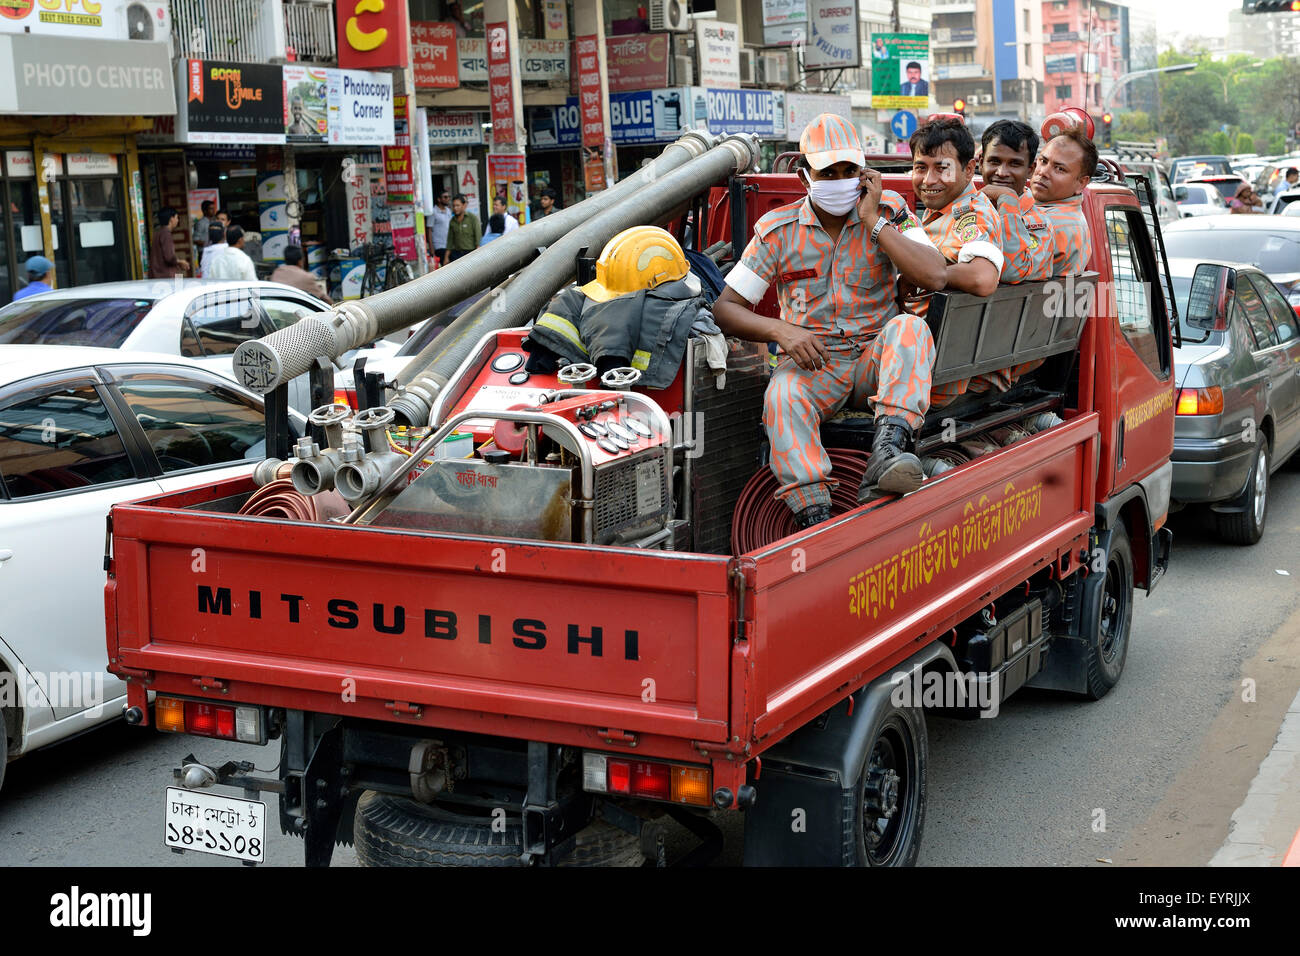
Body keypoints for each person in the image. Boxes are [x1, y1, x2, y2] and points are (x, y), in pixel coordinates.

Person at [712, 113, 949, 529]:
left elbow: (933, 274)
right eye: (829, 172)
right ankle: (815, 515)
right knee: (782, 394)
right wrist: (781, 331)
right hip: (815, 365)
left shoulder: (890, 209)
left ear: (865, 173)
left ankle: (889, 452)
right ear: (806, 178)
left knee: (909, 329)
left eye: (849, 170)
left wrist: (874, 221)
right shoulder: (777, 229)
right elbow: (726, 309)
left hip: (875, 361)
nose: (840, 179)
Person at [978, 119, 1054, 284]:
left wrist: (1007, 201)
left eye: (1015, 164)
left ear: (1030, 170)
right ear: (980, 163)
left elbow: (1011, 271)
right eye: (994, 161)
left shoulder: (1039, 224)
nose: (1002, 172)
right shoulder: (965, 208)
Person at [148, 207, 189, 279]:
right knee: (179, 288)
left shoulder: (158, 233)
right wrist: (180, 262)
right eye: (176, 217)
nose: (177, 220)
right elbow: (169, 258)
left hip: (158, 276)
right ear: (171, 219)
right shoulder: (166, 234)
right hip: (167, 277)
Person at [445, 194, 481, 261]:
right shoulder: (452, 221)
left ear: (464, 205)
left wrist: (477, 257)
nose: (455, 208)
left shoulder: (472, 218)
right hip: (456, 255)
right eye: (454, 206)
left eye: (458, 205)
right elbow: (449, 241)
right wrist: (446, 257)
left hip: (470, 254)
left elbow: (478, 240)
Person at [430, 189, 452, 264]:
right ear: (439, 199)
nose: (448, 199)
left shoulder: (448, 210)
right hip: (439, 246)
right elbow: (429, 230)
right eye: (445, 197)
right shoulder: (433, 211)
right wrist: (431, 248)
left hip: (449, 246)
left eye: (449, 197)